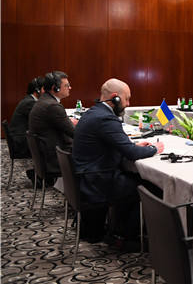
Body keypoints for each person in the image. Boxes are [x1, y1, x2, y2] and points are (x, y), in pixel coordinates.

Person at [72, 78, 164, 243]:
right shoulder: (105, 119)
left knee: (133, 179)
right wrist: (155, 148)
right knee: (151, 188)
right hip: (98, 180)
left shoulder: (93, 112)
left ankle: (120, 231)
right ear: (115, 97)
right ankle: (130, 239)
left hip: (88, 177)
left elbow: (112, 144)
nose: (128, 104)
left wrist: (132, 145)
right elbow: (131, 153)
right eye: (126, 99)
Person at [28, 71, 76, 174]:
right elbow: (74, 133)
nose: (70, 87)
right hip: (55, 158)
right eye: (67, 85)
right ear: (55, 88)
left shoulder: (44, 100)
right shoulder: (52, 106)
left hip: (46, 153)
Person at [9, 76, 45, 158]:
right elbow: (43, 119)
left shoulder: (29, 100)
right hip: (21, 144)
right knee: (51, 141)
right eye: (45, 89)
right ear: (37, 90)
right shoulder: (29, 103)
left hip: (21, 139)